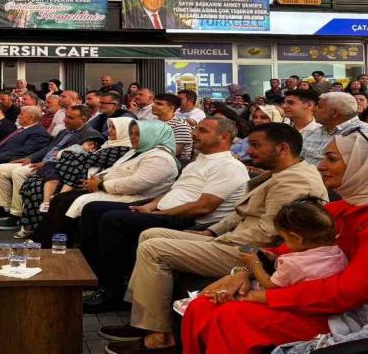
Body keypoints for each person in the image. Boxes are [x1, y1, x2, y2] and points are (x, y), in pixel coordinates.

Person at [174, 132, 368, 354]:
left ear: (365, 167)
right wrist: (243, 273)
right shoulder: (347, 206)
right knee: (204, 305)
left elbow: (347, 293)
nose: (321, 165)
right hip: (324, 294)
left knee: (231, 316)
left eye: (331, 159)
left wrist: (264, 296)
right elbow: (288, 248)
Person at [99, 123, 328, 352]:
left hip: (251, 252)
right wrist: (210, 233)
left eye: (256, 145)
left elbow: (268, 234)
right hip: (236, 240)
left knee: (154, 249)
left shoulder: (295, 180)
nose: (248, 151)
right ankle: (145, 320)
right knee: (150, 234)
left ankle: (159, 337)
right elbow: (240, 214)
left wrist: (220, 240)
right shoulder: (279, 173)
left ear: (282, 148)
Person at [81, 118, 249, 312]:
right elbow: (175, 190)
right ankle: (93, 277)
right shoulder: (199, 161)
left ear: (224, 137)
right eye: (196, 129)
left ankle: (112, 292)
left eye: (202, 131)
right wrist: (151, 206)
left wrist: (162, 212)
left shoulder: (229, 166)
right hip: (166, 212)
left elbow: (203, 207)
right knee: (94, 209)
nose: (194, 134)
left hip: (190, 221)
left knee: (113, 220)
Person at [0, 105, 101, 232]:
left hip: (57, 168)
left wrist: (46, 163)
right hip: (41, 162)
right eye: (66, 116)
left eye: (70, 118)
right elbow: (48, 148)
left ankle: (17, 215)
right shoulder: (64, 131)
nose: (65, 120)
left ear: (83, 120)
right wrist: (30, 158)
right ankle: (4, 208)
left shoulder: (90, 135)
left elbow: (77, 158)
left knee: (19, 172)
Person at [21, 118, 135, 239]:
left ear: (124, 130)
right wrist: (70, 156)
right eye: (110, 127)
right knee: (33, 181)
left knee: (39, 186)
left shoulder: (123, 148)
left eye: (114, 128)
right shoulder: (108, 144)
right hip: (74, 174)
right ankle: (31, 227)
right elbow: (84, 158)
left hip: (86, 180)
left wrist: (66, 154)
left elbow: (89, 159)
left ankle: (42, 232)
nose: (110, 130)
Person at [63, 120, 179, 221]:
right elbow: (115, 169)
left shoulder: (161, 158)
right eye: (131, 133)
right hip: (114, 190)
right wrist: (97, 179)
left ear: (153, 136)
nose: (132, 137)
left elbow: (137, 183)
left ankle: (65, 237)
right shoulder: (137, 151)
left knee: (82, 205)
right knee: (64, 198)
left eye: (138, 134)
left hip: (137, 198)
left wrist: (101, 185)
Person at [239, 197, 348, 290]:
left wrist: (255, 264)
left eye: (284, 239)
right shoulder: (337, 252)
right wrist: (275, 259)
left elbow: (269, 285)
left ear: (297, 238)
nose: (284, 243)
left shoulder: (292, 263)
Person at [301, 92, 368, 166]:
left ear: (334, 113)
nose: (313, 109)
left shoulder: (364, 134)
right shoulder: (312, 132)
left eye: (319, 106)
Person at [152, 94, 194, 164]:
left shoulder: (181, 126)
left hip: (172, 163)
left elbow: (173, 152)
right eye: (154, 103)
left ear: (171, 108)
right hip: (152, 159)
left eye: (159, 104)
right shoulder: (152, 121)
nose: (153, 106)